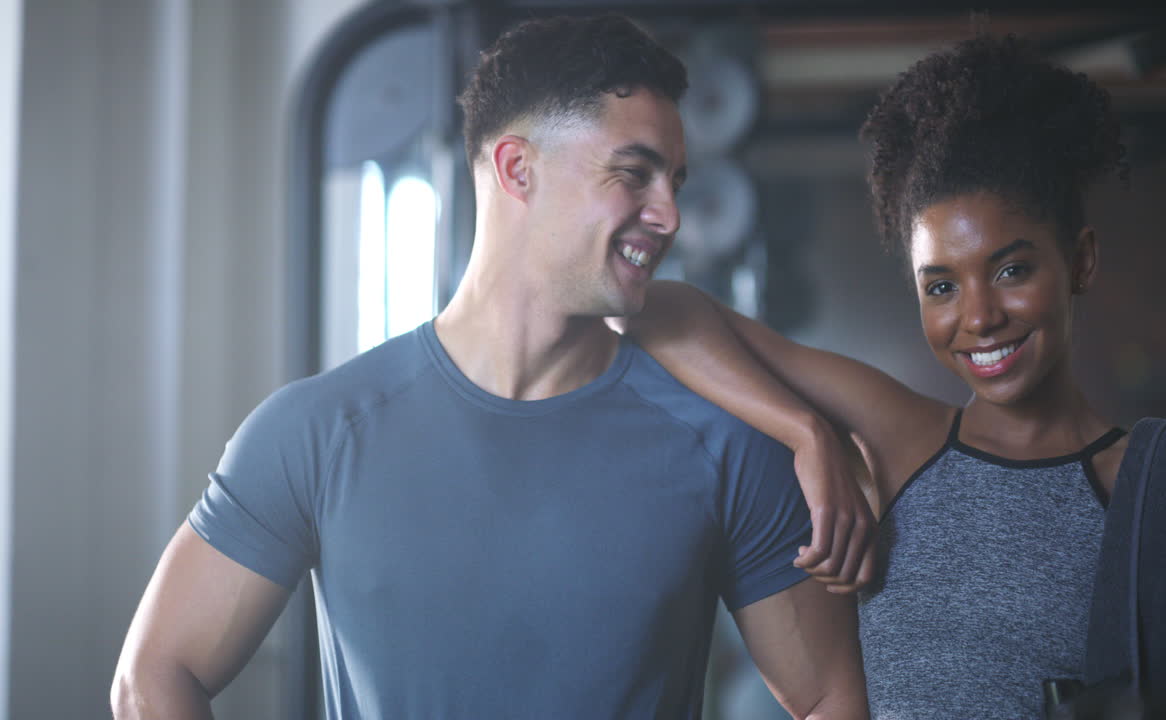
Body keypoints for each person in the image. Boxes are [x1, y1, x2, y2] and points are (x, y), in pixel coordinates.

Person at [110, 14, 873, 719]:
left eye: (675, 181)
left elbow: (832, 700)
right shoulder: (314, 433)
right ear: (516, 169)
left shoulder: (725, 442)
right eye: (634, 173)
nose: (669, 214)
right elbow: (155, 673)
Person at [622, 32, 1166, 718]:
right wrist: (807, 433)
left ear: (1080, 261)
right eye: (942, 286)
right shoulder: (902, 441)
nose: (980, 317)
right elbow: (660, 307)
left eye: (1012, 270)